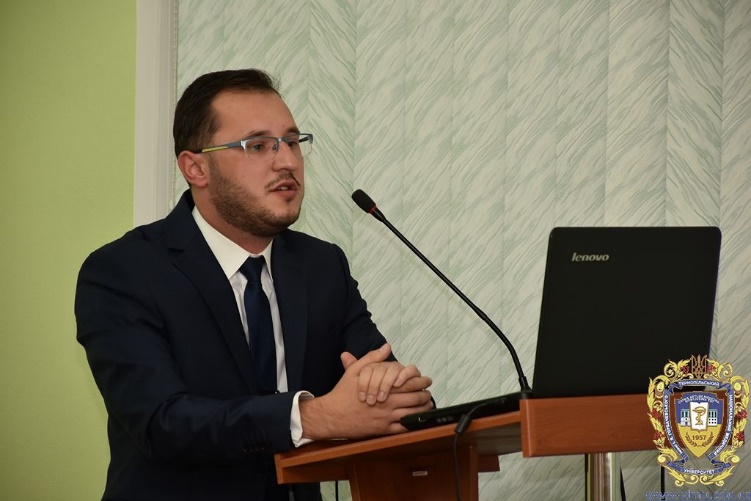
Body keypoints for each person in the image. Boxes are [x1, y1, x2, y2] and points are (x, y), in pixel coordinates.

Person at [75, 68, 433, 501]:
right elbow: (160, 422)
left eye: (293, 142)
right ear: (196, 168)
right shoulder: (124, 272)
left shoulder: (321, 266)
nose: (287, 162)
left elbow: (395, 390)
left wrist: (392, 390)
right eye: (258, 146)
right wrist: (315, 417)